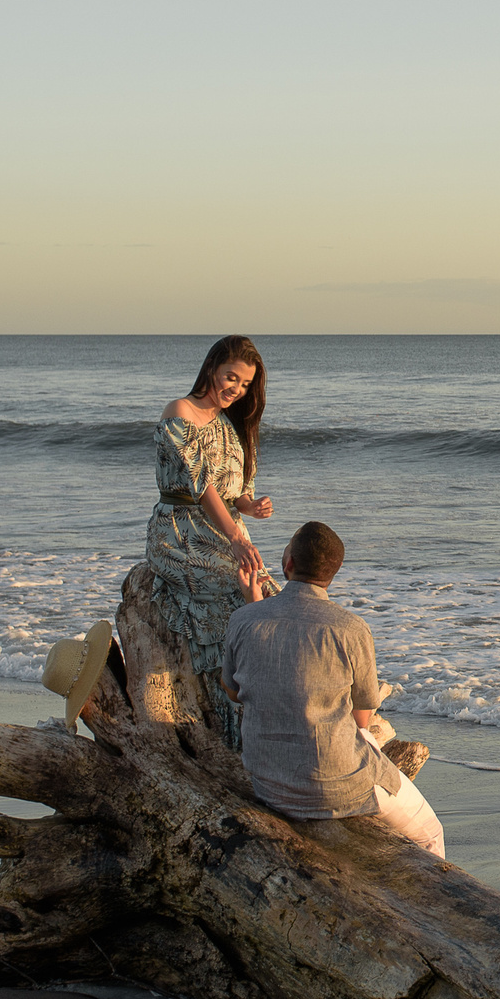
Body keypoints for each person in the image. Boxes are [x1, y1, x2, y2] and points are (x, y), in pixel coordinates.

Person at [220, 520, 445, 858]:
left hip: (268, 781)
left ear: (288, 564)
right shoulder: (351, 628)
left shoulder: (243, 619)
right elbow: (362, 718)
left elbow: (233, 692)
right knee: (430, 834)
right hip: (332, 788)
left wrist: (254, 605)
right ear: (332, 573)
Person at [150, 335, 275, 747]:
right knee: (231, 593)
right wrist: (237, 536)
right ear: (212, 368)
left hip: (225, 530)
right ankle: (232, 722)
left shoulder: (228, 424)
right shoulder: (179, 413)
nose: (235, 389)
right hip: (180, 531)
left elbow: (230, 490)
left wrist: (249, 506)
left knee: (270, 597)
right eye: (231, 377)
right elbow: (202, 488)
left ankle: (272, 708)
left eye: (244, 385)